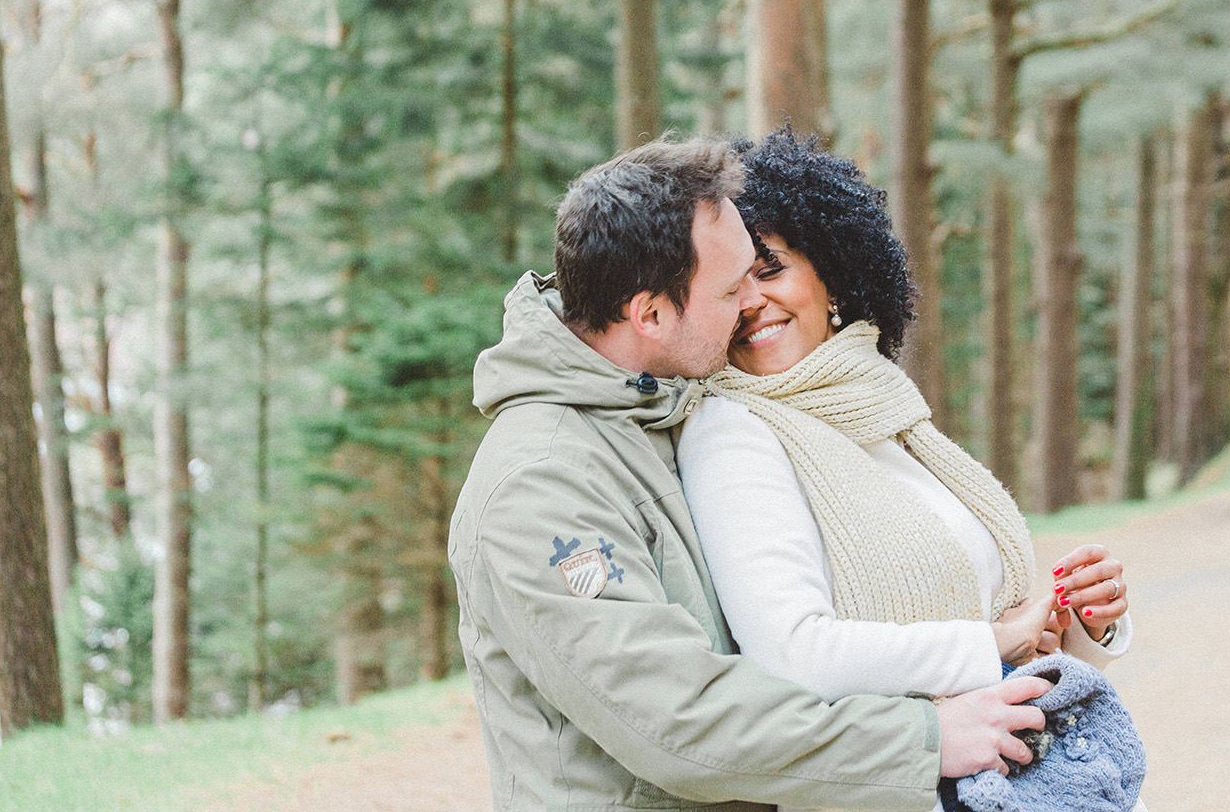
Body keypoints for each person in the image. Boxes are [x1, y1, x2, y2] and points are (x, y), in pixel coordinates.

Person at [450, 137, 1055, 812]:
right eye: (731, 286)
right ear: (650, 314)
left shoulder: (653, 407)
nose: (748, 304)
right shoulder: (541, 484)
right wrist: (922, 740)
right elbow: (677, 721)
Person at [676, 129, 1143, 810]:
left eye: (769, 268)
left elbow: (998, 636)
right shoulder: (733, 430)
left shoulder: (884, 407)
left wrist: (1080, 625)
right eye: (727, 284)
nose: (749, 302)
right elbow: (794, 652)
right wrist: (991, 641)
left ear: (832, 272)